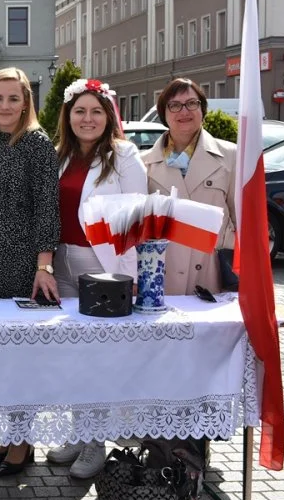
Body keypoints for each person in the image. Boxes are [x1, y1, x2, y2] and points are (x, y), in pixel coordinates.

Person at [45, 78, 148, 479]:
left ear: (109, 117)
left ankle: (96, 442)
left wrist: (130, 276)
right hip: (64, 262)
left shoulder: (124, 156)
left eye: (96, 111)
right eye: (79, 111)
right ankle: (78, 431)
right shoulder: (60, 156)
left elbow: (136, 219)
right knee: (74, 352)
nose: (87, 119)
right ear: (68, 117)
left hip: (105, 266)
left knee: (99, 355)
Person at [0, 67, 60, 476]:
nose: (5, 105)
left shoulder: (37, 144)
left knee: (21, 353)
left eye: (13, 98)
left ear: (26, 102)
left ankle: (23, 445)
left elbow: (48, 208)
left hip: (22, 258)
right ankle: (11, 437)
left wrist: (44, 265)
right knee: (0, 355)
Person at [141, 78, 237, 295]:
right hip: (161, 275)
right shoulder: (144, 162)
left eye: (192, 103)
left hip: (212, 270)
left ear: (202, 109)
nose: (184, 111)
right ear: (163, 114)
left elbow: (242, 219)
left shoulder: (231, 156)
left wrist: (227, 242)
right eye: (174, 105)